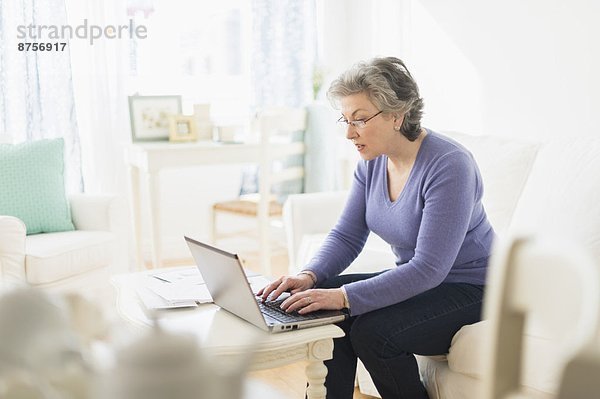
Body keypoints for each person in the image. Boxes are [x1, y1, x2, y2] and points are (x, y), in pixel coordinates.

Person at [258, 57, 495, 399]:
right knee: (324, 309)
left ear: (396, 115)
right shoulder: (371, 163)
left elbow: (429, 267)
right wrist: (309, 276)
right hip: (424, 282)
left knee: (373, 333)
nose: (349, 133)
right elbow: (347, 235)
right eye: (345, 119)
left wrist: (344, 296)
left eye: (359, 120)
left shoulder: (449, 165)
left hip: (474, 289)